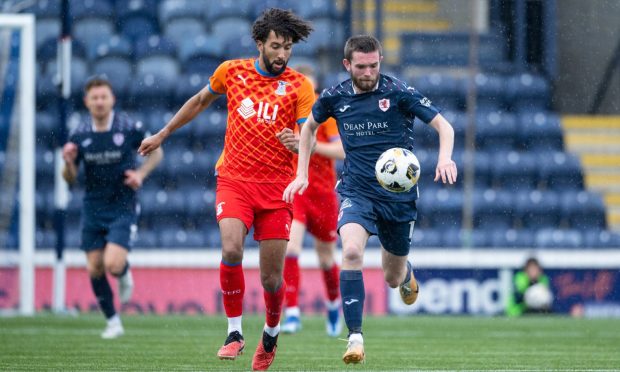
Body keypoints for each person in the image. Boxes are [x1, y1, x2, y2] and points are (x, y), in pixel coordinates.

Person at [137, 8, 314, 371]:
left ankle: (271, 331)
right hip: (234, 179)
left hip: (278, 188)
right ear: (260, 44)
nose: (282, 55)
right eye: (276, 46)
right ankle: (234, 332)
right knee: (232, 249)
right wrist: (163, 133)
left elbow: (306, 135)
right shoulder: (231, 71)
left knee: (271, 277)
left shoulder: (299, 85)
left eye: (288, 48)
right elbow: (200, 101)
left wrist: (297, 143)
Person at [283, 35, 458, 364]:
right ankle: (355, 338)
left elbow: (444, 126)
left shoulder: (398, 92)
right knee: (350, 251)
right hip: (356, 191)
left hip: (398, 197)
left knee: (391, 278)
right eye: (361, 67)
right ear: (347, 65)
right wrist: (302, 174)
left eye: (374, 65)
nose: (368, 72)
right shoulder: (335, 97)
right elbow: (307, 129)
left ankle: (406, 273)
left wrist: (445, 159)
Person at [62, 77, 163, 339]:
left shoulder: (128, 127)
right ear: (86, 102)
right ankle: (113, 322)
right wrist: (69, 163)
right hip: (92, 206)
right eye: (94, 98)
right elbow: (70, 178)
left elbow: (157, 151)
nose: (99, 102)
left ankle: (124, 272)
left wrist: (140, 175)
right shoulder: (79, 134)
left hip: (122, 205)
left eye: (103, 97)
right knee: (95, 267)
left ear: (112, 99)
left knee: (113, 264)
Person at [276, 65, 345, 337]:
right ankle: (292, 312)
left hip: (323, 194)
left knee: (326, 258)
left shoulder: (325, 118)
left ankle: (333, 304)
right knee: (290, 249)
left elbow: (341, 151)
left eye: (313, 89)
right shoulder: (285, 116)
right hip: (296, 190)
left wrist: (309, 145)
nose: (310, 95)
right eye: (304, 89)